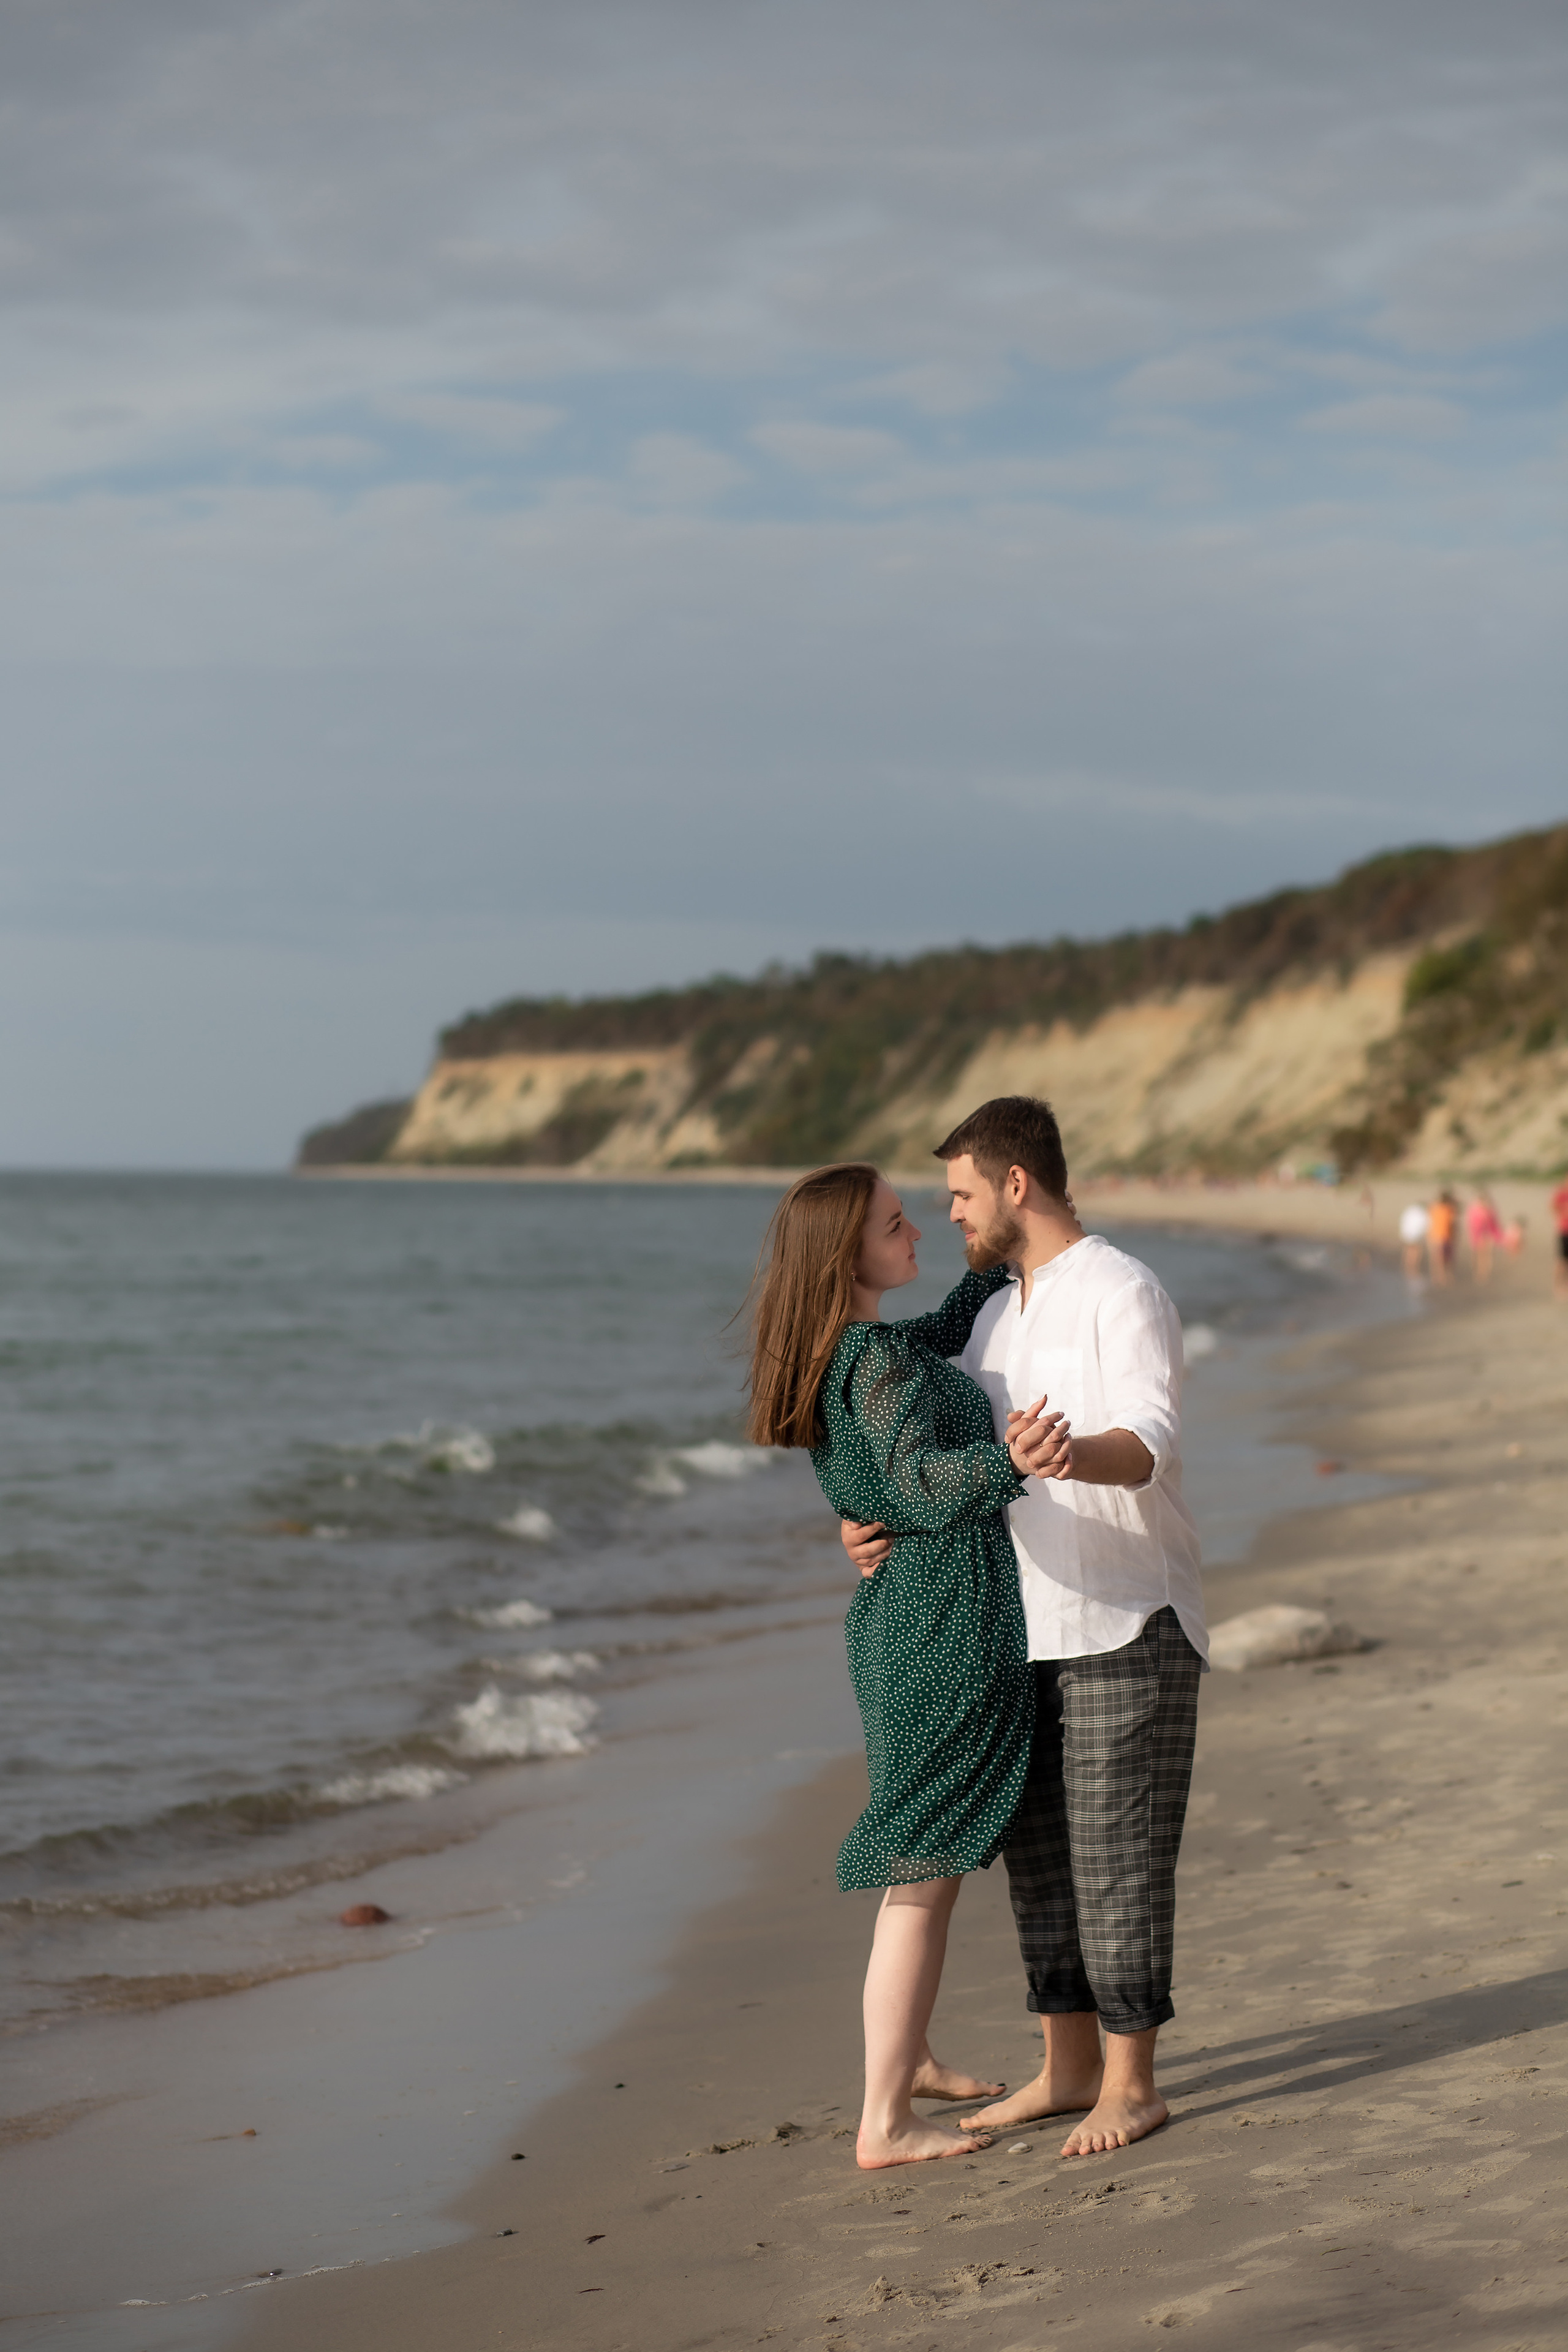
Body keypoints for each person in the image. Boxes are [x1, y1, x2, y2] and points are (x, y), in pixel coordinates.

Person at [843, 1096, 1205, 2160]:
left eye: (958, 1195)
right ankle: (1069, 2068)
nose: (948, 1216)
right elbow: (929, 1456)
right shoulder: (996, 1311)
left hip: (1128, 1613)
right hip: (1017, 1629)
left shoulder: (1123, 1288)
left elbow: (1150, 1442)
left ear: (1015, 1185)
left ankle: (1132, 2086)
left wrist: (1062, 1455)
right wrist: (868, 1524)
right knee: (1041, 1864)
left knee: (1118, 1858)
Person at [744, 1161, 1065, 2170]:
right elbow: (919, 1484)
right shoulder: (872, 1362)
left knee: (927, 1861)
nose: (919, 1228)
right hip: (938, 1626)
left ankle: (912, 2055)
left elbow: (929, 1354)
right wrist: (1013, 1459)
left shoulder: (858, 1347)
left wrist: (990, 1260)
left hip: (902, 1625)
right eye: (897, 1222)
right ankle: (883, 2119)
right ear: (849, 1251)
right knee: (924, 1873)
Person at [1464, 1189, 1501, 1284]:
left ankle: (1485, 1275)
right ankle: (1479, 1274)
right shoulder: (1474, 1210)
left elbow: (1494, 1224)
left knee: (1487, 1255)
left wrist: (1496, 1236)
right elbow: (1472, 1225)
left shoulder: (1489, 1210)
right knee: (1479, 1255)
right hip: (1478, 1235)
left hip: (1488, 1235)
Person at [1427, 1189, 1457, 1285]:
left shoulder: (1440, 1208)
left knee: (1440, 1258)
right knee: (1441, 1258)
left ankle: (1440, 1276)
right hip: (1441, 1236)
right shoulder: (1448, 1209)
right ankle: (1441, 1277)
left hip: (1441, 1236)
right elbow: (1453, 1222)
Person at [1398, 1199, 1430, 1283]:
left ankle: (1406, 1268)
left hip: (1407, 1233)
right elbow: (1425, 1225)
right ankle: (1414, 1270)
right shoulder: (1423, 1213)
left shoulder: (1410, 1210)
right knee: (1417, 1251)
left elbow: (1403, 1220)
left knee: (1408, 1250)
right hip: (1416, 1234)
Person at [1554, 1175, 1568, 1299]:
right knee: (1562, 1261)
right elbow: (1553, 1207)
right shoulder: (1561, 1194)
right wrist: (1562, 1214)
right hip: (1564, 1231)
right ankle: (1558, 1286)